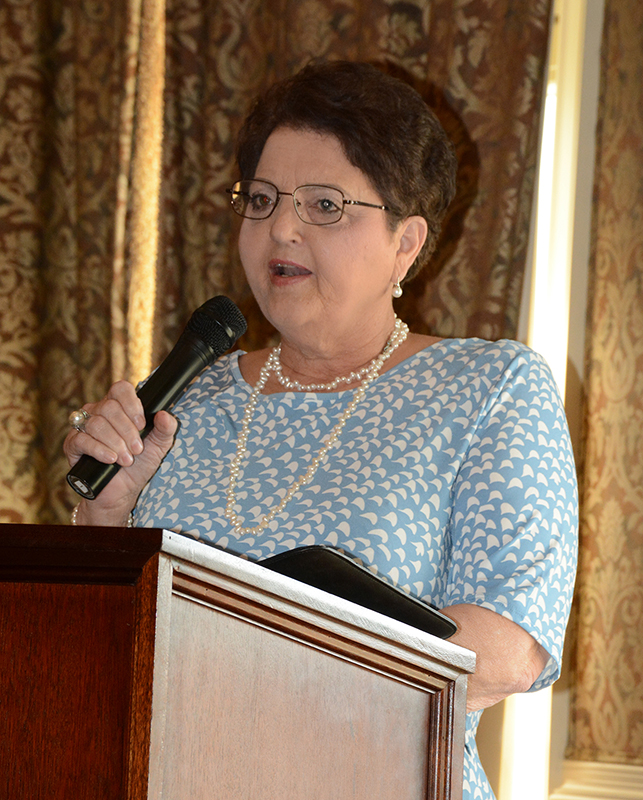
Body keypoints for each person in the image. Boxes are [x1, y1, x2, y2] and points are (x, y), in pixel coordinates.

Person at [64, 60, 578, 799]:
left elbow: (505, 647)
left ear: (406, 243)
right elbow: (96, 645)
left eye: (325, 205)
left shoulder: (487, 390)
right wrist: (106, 514)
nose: (281, 227)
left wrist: (256, 679)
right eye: (263, 198)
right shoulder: (188, 398)